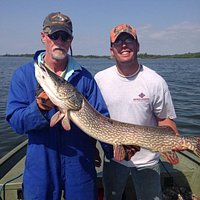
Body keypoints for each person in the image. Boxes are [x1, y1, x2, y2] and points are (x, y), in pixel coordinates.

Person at [6, 12, 109, 200]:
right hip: (41, 164)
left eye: (65, 36)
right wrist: (39, 109)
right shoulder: (24, 75)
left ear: (71, 40)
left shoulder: (85, 77)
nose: (59, 41)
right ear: (43, 37)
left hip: (80, 164)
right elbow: (16, 122)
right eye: (54, 35)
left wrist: (118, 148)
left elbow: (102, 119)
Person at [95, 24, 179, 200]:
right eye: (118, 42)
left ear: (137, 45)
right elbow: (95, 119)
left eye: (128, 40)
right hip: (113, 159)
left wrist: (173, 141)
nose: (124, 45)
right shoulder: (100, 79)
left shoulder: (155, 81)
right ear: (112, 50)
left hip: (148, 161)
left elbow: (165, 120)